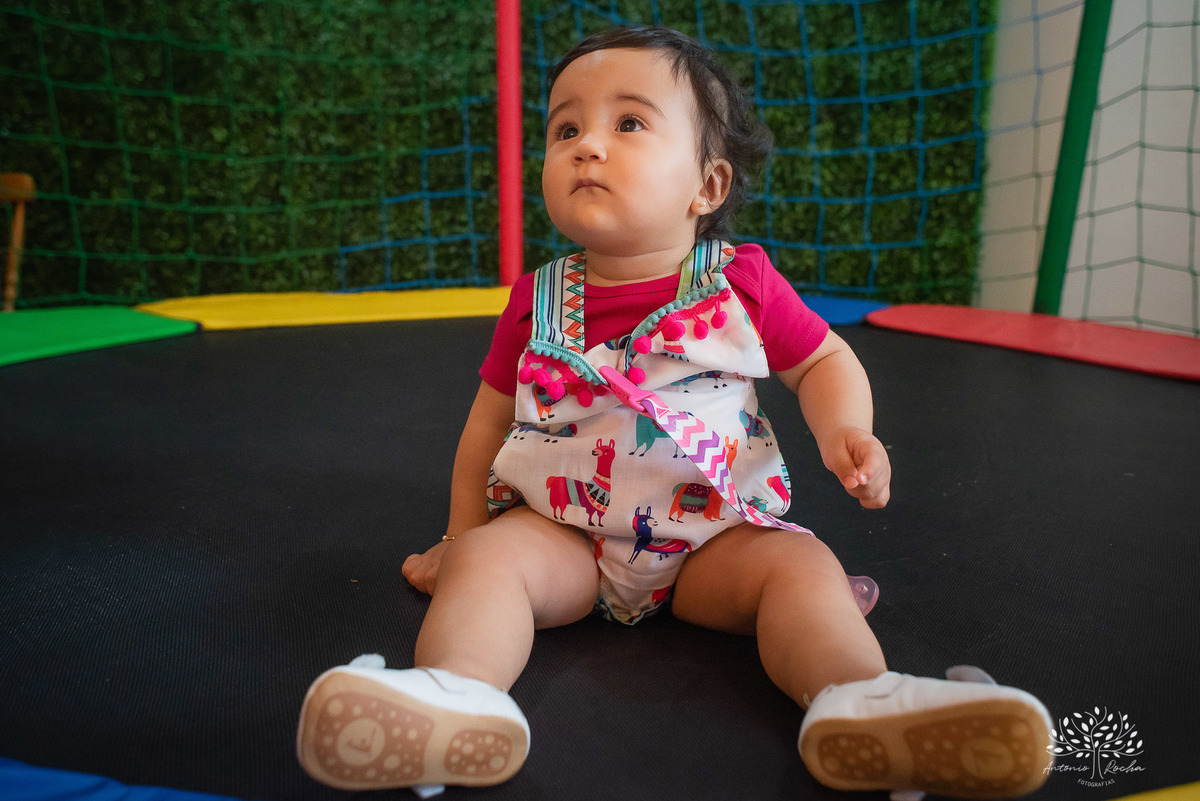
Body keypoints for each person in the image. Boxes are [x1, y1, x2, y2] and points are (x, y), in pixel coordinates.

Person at [297, 26, 1053, 798]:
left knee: (800, 568)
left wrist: (846, 429)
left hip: (710, 545)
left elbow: (824, 360)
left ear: (708, 186)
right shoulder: (537, 300)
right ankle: (453, 698)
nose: (587, 145)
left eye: (627, 123)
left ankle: (863, 699)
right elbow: (486, 426)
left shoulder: (741, 282)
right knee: (490, 564)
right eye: (565, 128)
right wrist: (459, 537)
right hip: (564, 541)